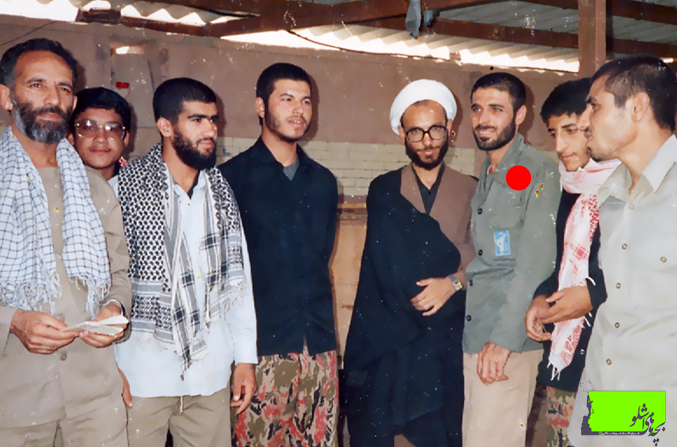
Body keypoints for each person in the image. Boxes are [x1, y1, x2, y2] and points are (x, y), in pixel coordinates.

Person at [0, 38, 130, 446]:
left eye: (64, 88)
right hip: (12, 404)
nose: (53, 98)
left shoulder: (95, 189)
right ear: (6, 97)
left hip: (95, 399)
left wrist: (114, 309)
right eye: (37, 84)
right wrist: (12, 321)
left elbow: (120, 275)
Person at [114, 77, 257, 447]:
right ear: (165, 126)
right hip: (140, 375)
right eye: (197, 120)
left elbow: (239, 285)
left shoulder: (221, 194)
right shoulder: (122, 191)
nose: (210, 130)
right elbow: (107, 287)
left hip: (209, 374)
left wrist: (245, 359)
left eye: (213, 120)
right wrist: (108, 368)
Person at [344, 79, 476, 447]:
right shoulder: (384, 188)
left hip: (450, 329)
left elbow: (490, 257)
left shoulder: (472, 188)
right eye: (415, 132)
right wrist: (459, 257)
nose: (427, 140)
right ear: (401, 134)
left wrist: (453, 281)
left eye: (435, 129)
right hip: (396, 327)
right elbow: (390, 264)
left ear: (449, 130)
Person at [219, 63, 339, 446]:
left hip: (318, 349)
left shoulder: (323, 181)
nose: (298, 110)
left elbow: (320, 256)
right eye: (286, 99)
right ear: (260, 106)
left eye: (306, 101)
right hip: (259, 353)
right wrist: (240, 357)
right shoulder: (230, 179)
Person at [568, 55, 677, 447]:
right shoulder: (611, 195)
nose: (583, 121)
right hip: (610, 392)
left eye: (594, 106)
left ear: (637, 107)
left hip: (666, 405)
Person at [462, 72, 561, 447]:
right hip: (479, 332)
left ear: (520, 115)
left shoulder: (539, 169)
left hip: (508, 338)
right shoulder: (490, 172)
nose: (483, 119)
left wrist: (503, 341)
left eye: (496, 109)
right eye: (477, 109)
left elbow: (535, 263)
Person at [524, 78, 618, 447]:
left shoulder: (634, 188)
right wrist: (541, 296)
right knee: (562, 440)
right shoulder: (570, 190)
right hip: (568, 361)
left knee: (620, 438)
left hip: (619, 359)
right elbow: (561, 263)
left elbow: (650, 268)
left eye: (571, 131)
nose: (560, 146)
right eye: (554, 133)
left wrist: (592, 295)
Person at [69, 87, 131, 184]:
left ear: (125, 139)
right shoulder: (51, 184)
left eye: (112, 129)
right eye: (89, 128)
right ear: (70, 137)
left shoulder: (141, 186)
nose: (101, 139)